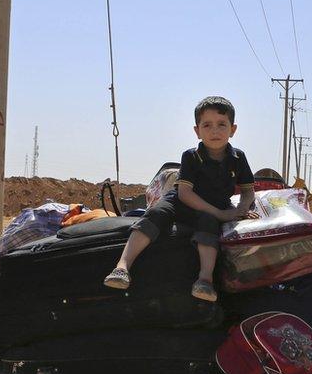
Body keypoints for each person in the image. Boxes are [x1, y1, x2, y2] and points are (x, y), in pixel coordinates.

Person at [103, 96, 258, 301]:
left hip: (212, 207)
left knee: (209, 224)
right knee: (156, 212)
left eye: (222, 124)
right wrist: (222, 214)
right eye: (207, 125)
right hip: (181, 202)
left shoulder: (238, 157)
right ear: (197, 130)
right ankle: (122, 266)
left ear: (233, 129)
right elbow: (185, 194)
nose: (215, 131)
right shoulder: (191, 156)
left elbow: (248, 190)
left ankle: (204, 281)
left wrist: (241, 209)